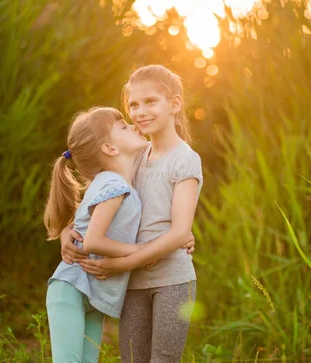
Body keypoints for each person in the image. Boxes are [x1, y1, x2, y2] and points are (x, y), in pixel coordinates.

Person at [61, 65, 203, 362]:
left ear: (175, 104)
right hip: (133, 281)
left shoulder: (185, 159)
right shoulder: (135, 156)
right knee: (132, 358)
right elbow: (97, 200)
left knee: (163, 359)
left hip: (172, 279)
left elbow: (179, 232)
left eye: (151, 102)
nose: (140, 112)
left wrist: (122, 262)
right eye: (134, 105)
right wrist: (68, 230)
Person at [44, 107, 148, 362]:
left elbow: (81, 223)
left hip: (92, 293)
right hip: (72, 287)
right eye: (124, 127)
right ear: (110, 149)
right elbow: (93, 241)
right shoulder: (114, 184)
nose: (134, 125)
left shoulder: (109, 183)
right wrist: (143, 252)